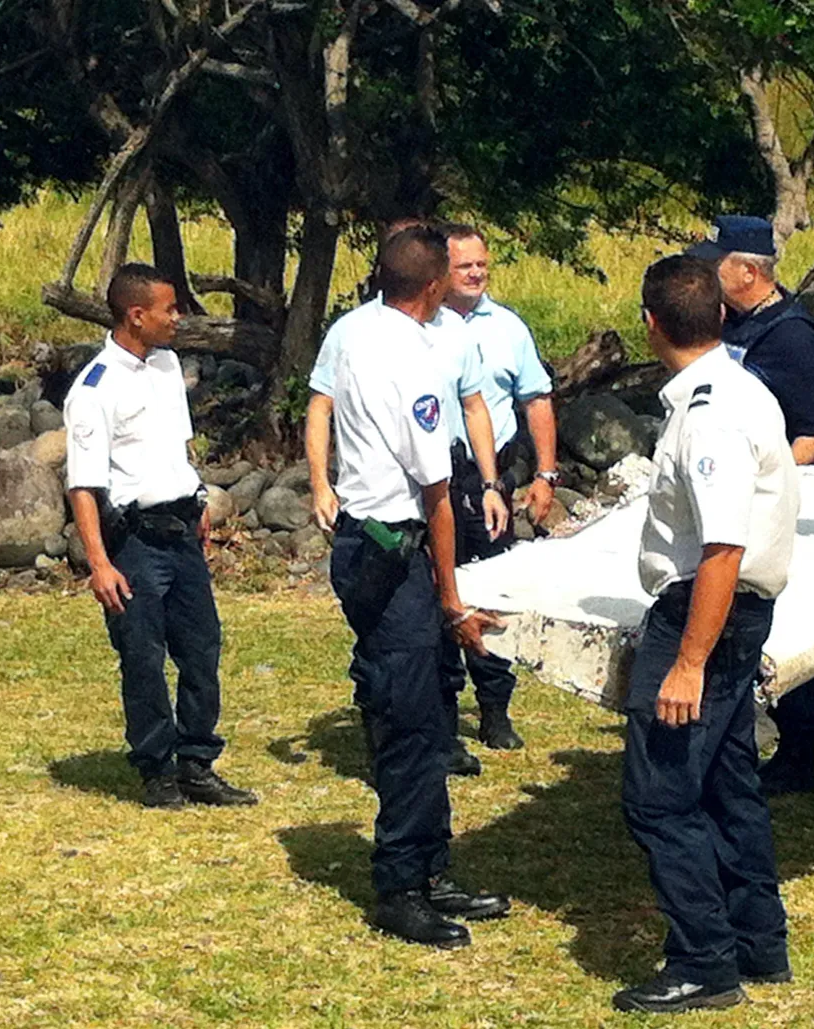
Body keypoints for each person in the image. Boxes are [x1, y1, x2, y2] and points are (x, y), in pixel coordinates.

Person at [615, 255, 798, 1013]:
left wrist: (687, 660)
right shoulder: (742, 387)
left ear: (651, 325)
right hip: (731, 611)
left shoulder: (710, 413)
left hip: (705, 613)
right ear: (722, 315)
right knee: (727, 783)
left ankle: (703, 959)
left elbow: (723, 545)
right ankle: (758, 937)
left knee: (658, 795)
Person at [325, 225, 511, 947]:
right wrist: (452, 596)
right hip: (391, 551)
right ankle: (401, 882)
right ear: (433, 288)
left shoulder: (357, 332)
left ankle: (433, 866)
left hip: (367, 541)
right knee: (409, 720)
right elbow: (436, 492)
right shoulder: (412, 357)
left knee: (430, 714)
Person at [63, 263, 256, 810]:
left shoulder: (168, 366)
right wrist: (99, 563)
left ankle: (197, 761)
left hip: (181, 534)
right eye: (169, 309)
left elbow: (175, 445)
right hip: (136, 542)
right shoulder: (94, 388)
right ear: (136, 314)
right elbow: (83, 485)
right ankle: (157, 769)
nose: (178, 317)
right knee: (143, 658)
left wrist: (194, 497)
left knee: (202, 650)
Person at [686, 214, 814, 796]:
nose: (706, 273)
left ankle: (797, 750)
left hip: (769, 502)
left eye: (715, 263)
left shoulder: (792, 335)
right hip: (726, 489)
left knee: (781, 621)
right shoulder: (732, 326)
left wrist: (772, 488)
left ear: (748, 272)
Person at [439, 223, 559, 751]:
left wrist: (545, 474)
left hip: (493, 481)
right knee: (437, 591)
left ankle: (494, 708)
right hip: (439, 477)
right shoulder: (422, 326)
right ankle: (438, 713)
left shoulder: (508, 326)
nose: (475, 273)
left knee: (493, 589)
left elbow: (536, 399)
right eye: (464, 265)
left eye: (482, 264)